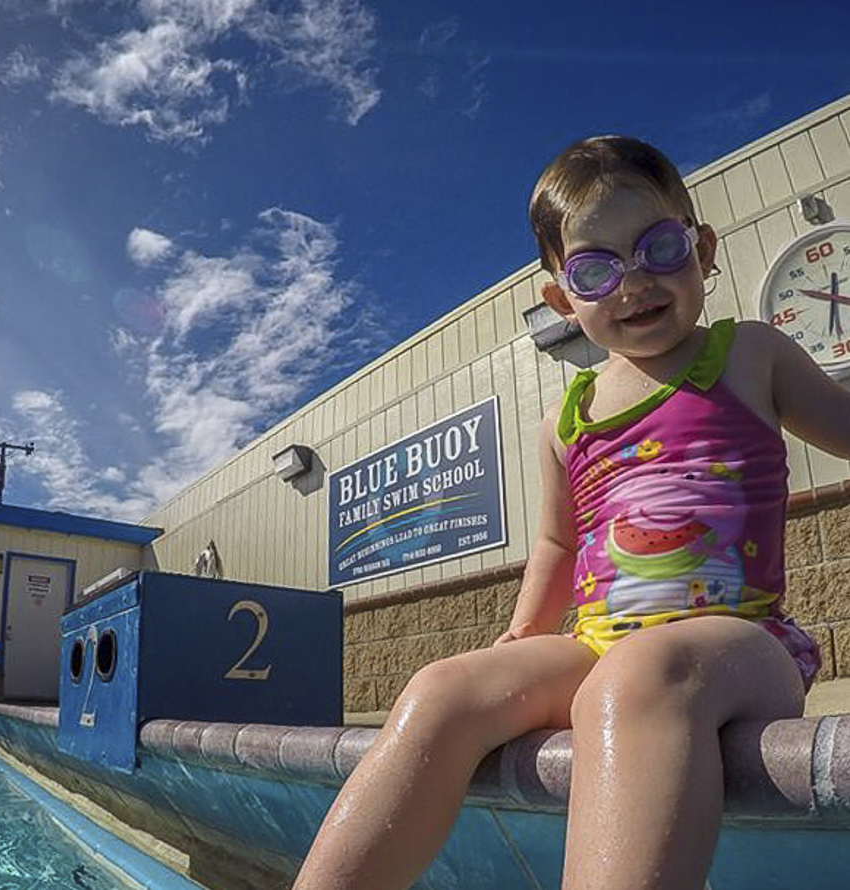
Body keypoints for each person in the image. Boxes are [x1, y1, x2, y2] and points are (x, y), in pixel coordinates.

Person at [293, 135, 850, 890]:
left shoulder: (750, 353)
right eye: (596, 268)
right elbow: (558, 541)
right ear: (562, 297)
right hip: (594, 643)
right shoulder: (566, 420)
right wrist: (521, 636)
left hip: (741, 640)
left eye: (659, 248)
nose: (634, 283)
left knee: (641, 675)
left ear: (704, 249)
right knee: (440, 689)